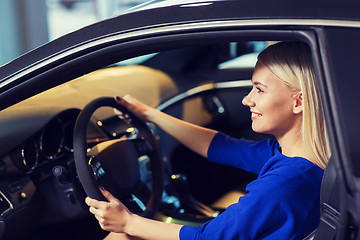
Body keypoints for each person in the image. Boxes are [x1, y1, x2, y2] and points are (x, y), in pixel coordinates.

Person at [85, 41, 331, 240]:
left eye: (260, 89)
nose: (247, 100)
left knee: (123, 236)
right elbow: (222, 147)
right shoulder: (298, 158)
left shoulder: (282, 185)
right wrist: (150, 114)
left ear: (298, 102)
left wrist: (128, 221)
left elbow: (205, 238)